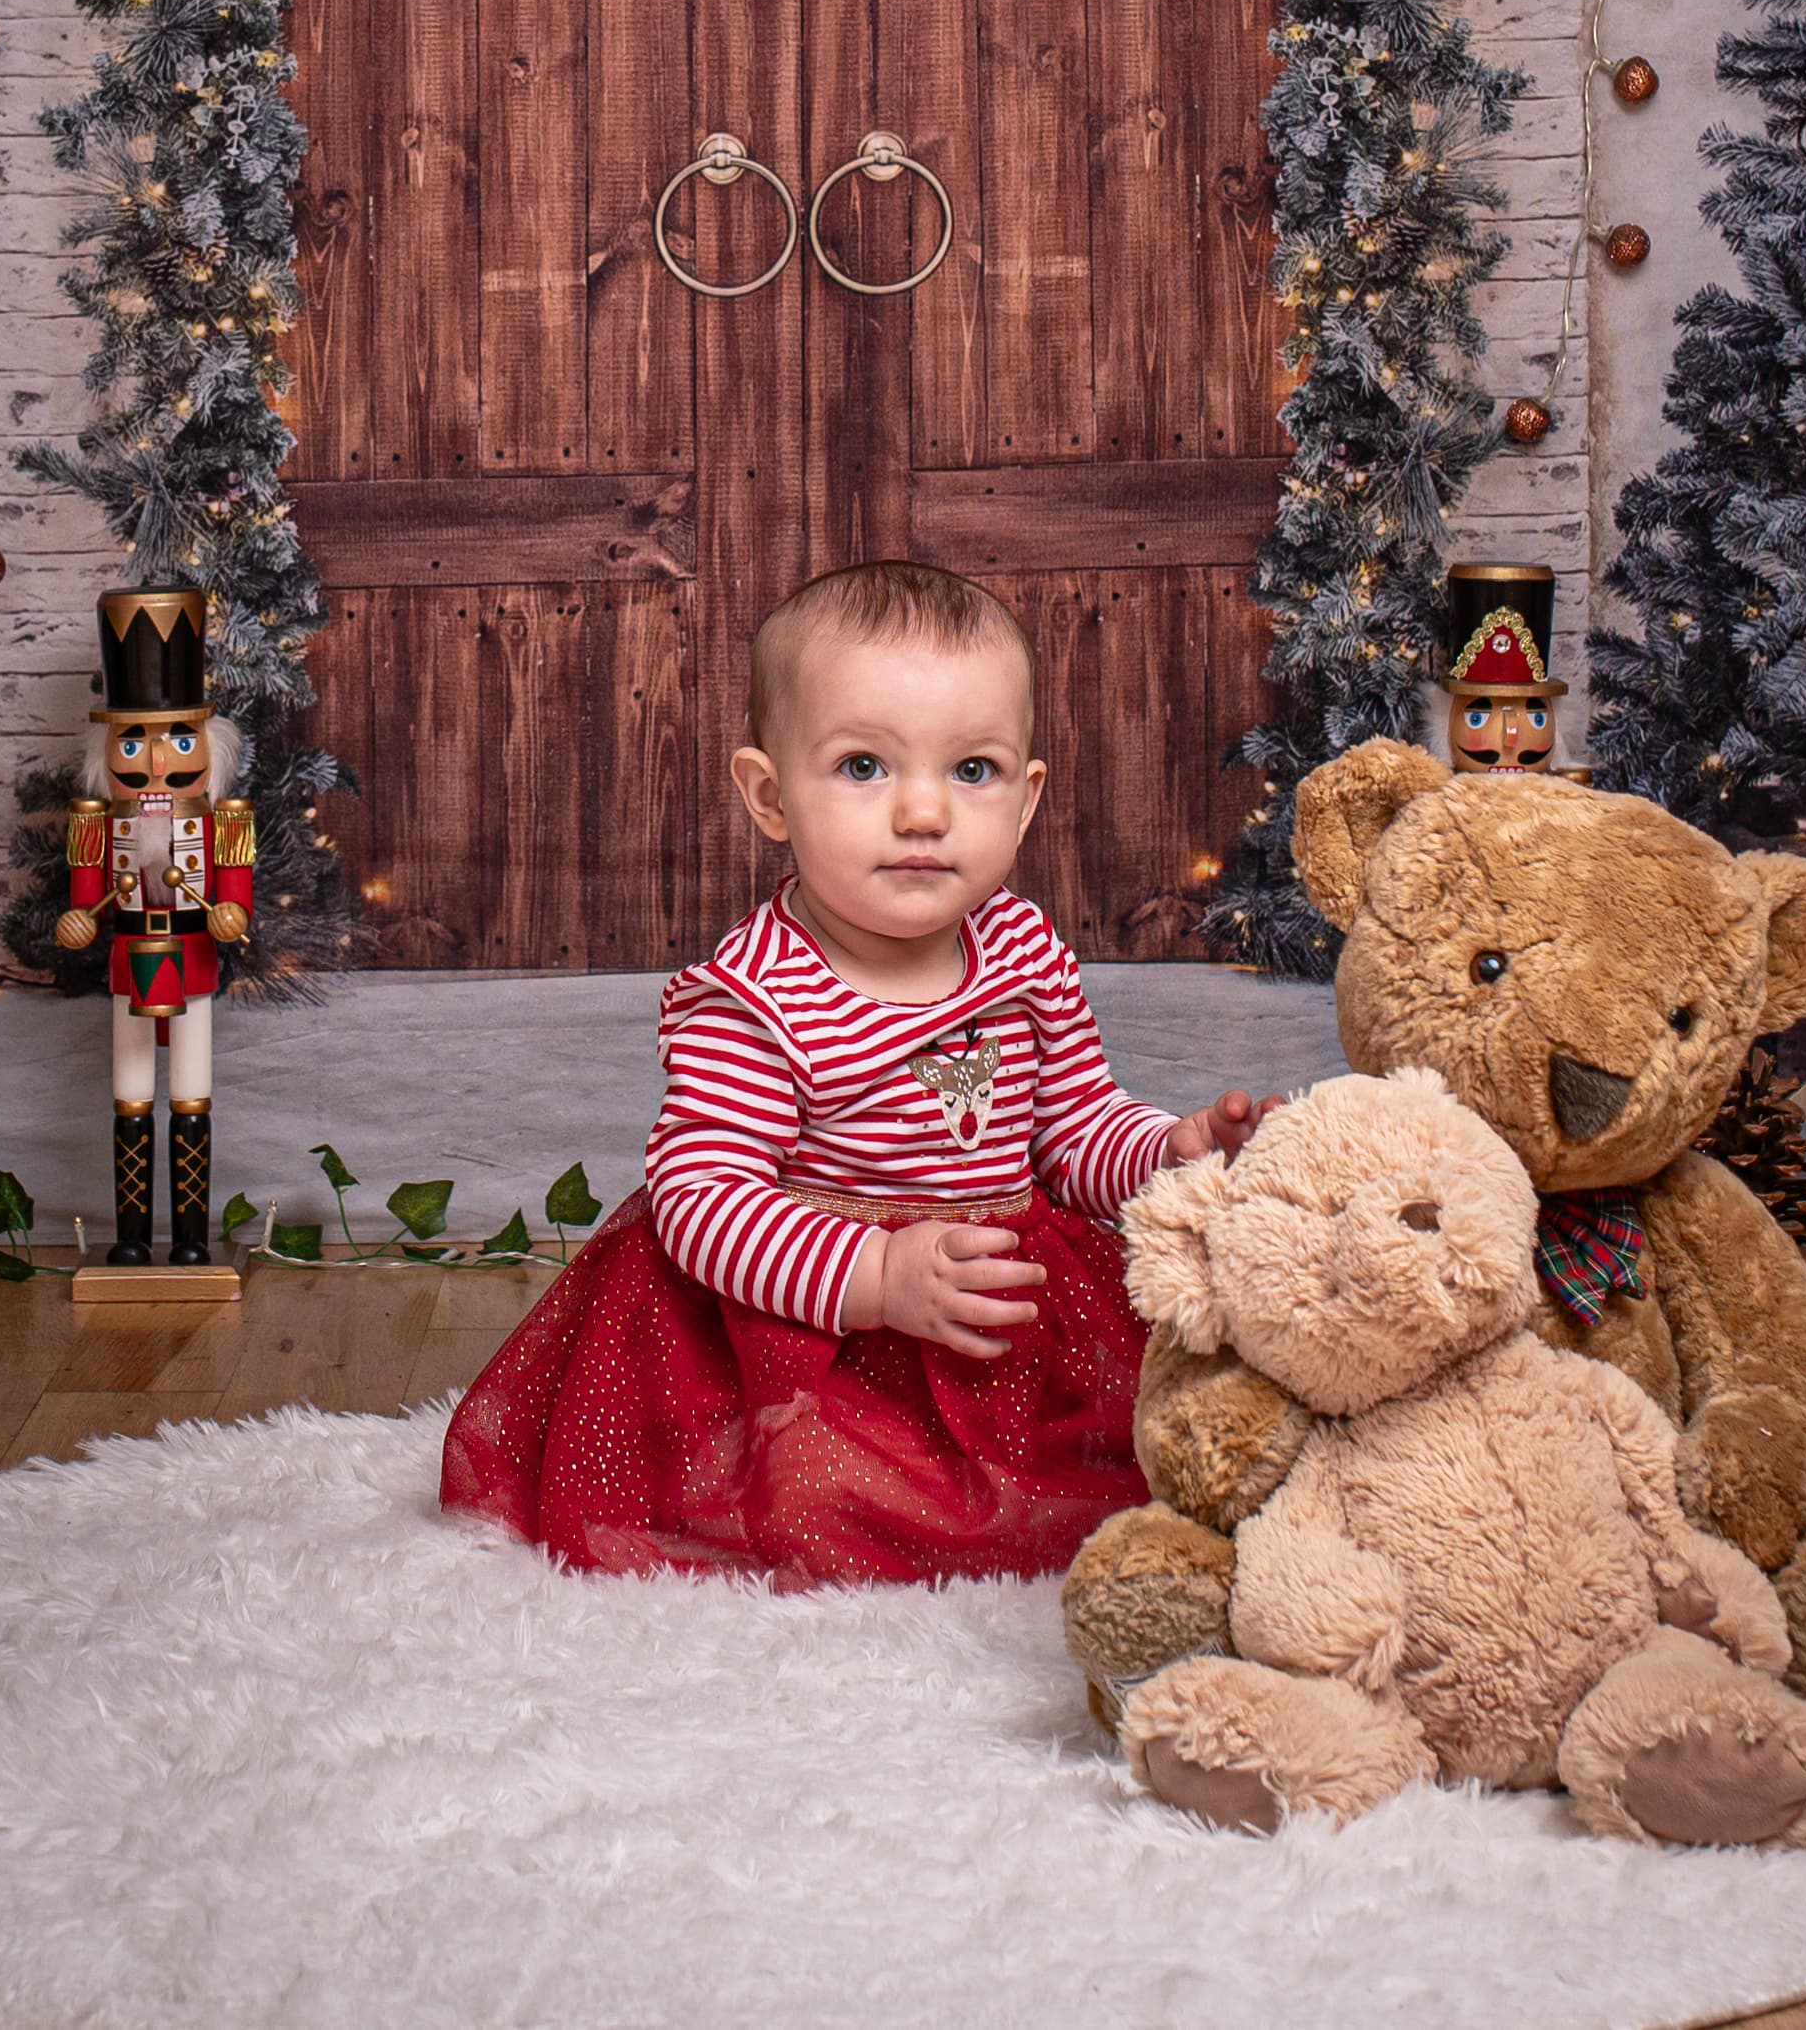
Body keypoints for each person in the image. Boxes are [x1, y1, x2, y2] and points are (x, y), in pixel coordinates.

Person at [439, 558, 1270, 1586]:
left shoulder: (1022, 951)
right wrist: (869, 1276)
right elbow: (700, 1200)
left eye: (971, 771)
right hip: (815, 1331)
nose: (923, 813)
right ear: (769, 794)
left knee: (1134, 1440)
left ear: (1023, 800)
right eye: (864, 767)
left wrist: (1166, 1151)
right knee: (816, 1497)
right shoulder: (757, 994)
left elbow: (1071, 1133)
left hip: (987, 1304)